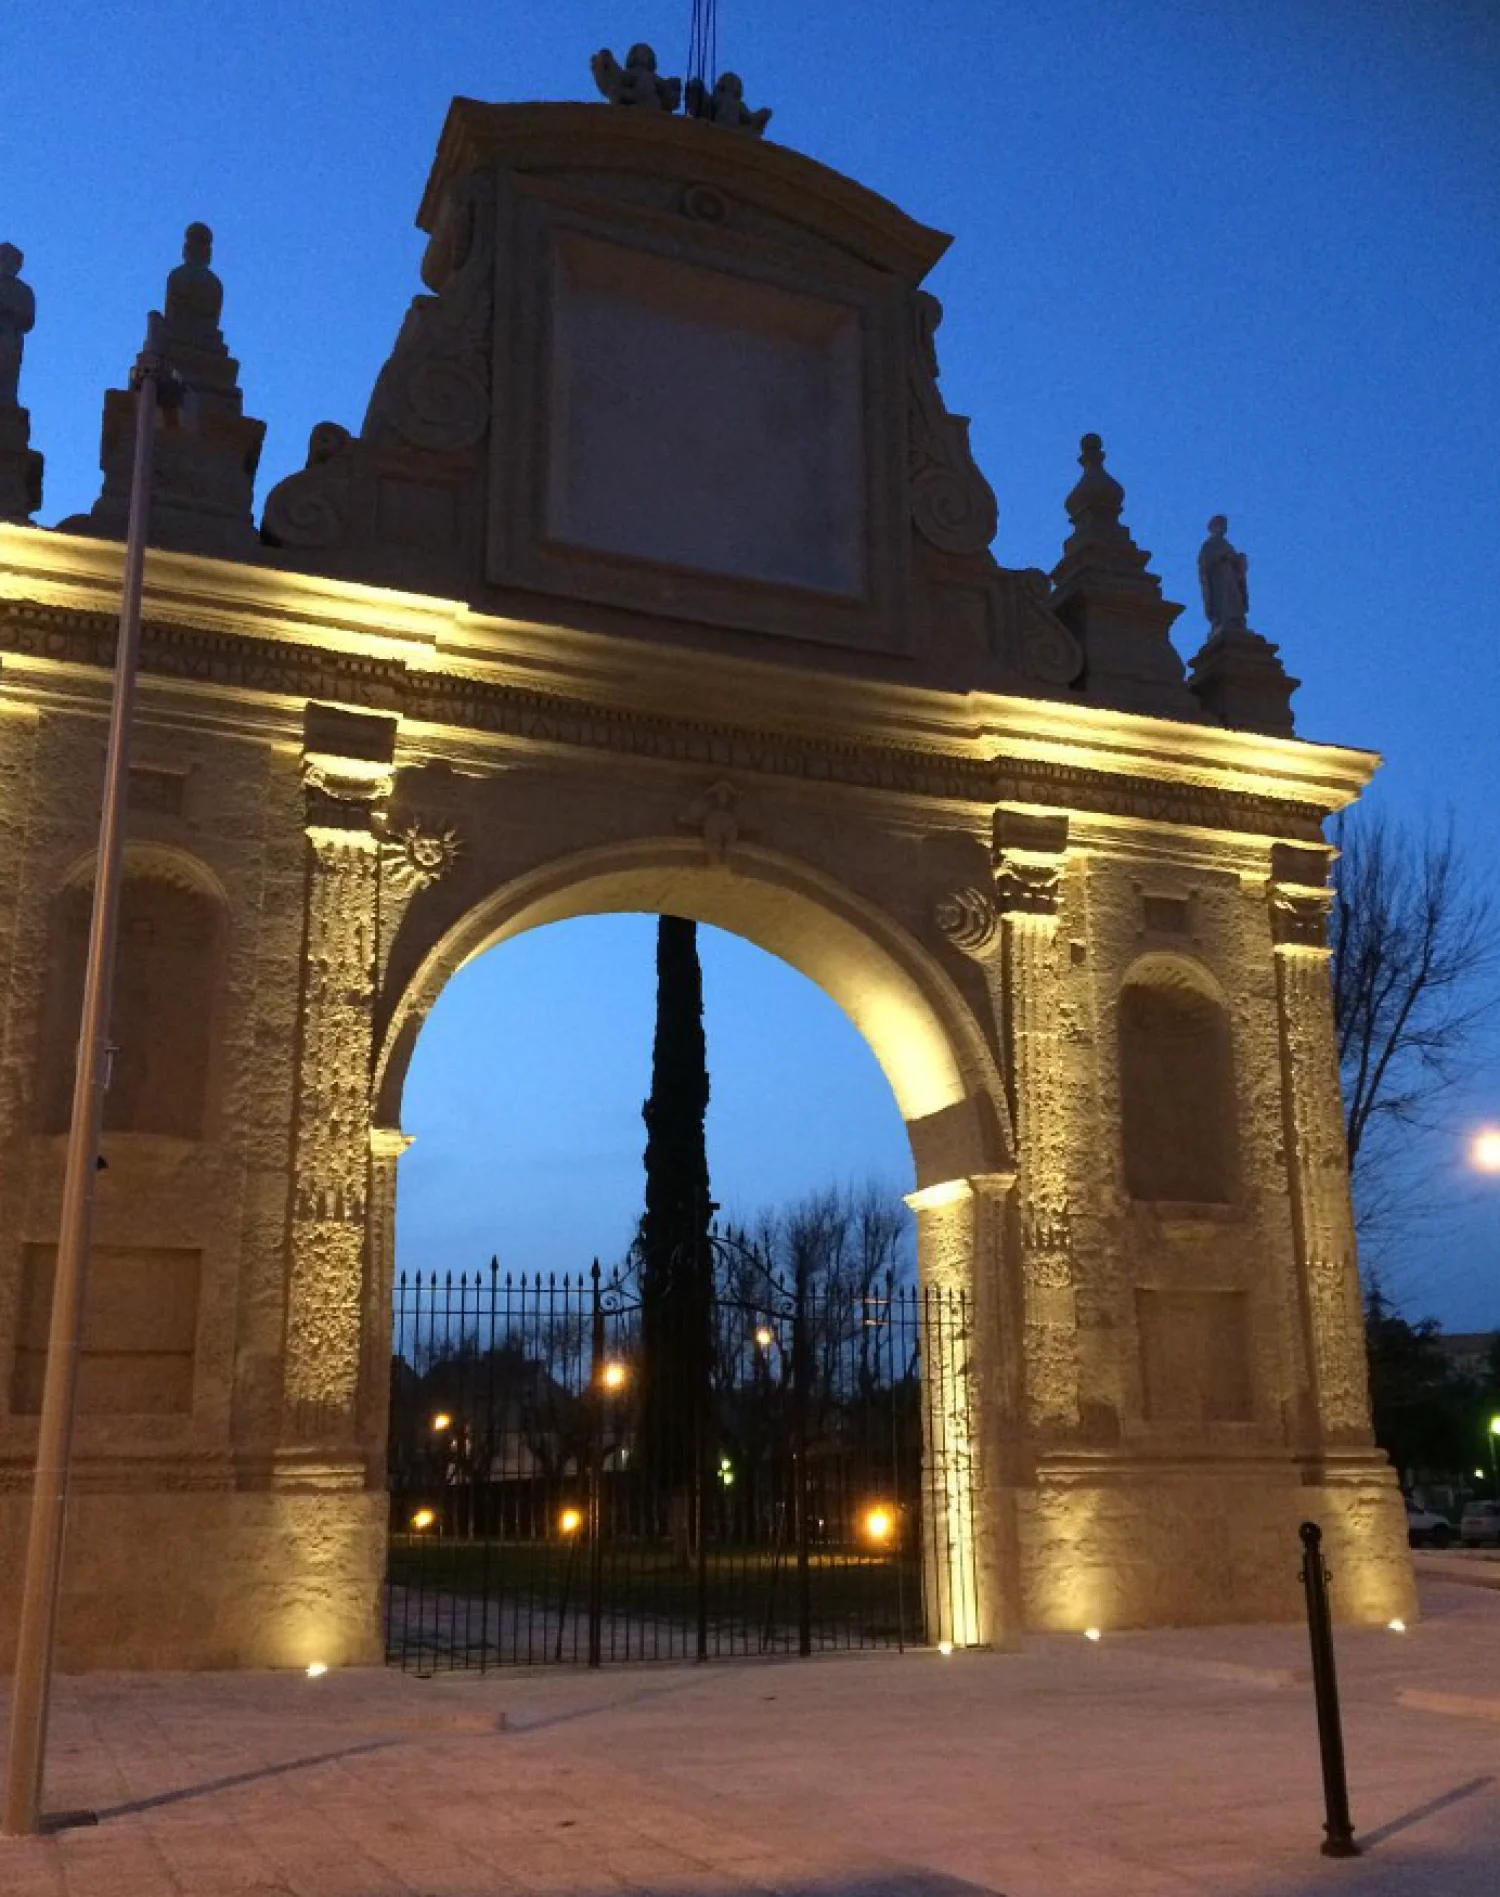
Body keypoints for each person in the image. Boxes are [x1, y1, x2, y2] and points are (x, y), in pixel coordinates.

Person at [1198, 514, 1250, 630]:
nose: (1223, 528)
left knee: (1235, 599)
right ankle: (1222, 620)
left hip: (1231, 577)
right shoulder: (1209, 545)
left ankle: (1236, 621)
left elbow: (1236, 563)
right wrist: (1222, 557)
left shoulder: (1227, 545)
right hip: (1218, 579)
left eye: (1224, 525)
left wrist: (1240, 560)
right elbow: (1205, 563)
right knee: (1223, 601)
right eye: (1220, 525)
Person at [0, 243, 35, 410]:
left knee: (7, 373)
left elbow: (28, 320)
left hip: (9, 337)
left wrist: (10, 313)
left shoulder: (23, 290)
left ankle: (6, 402)